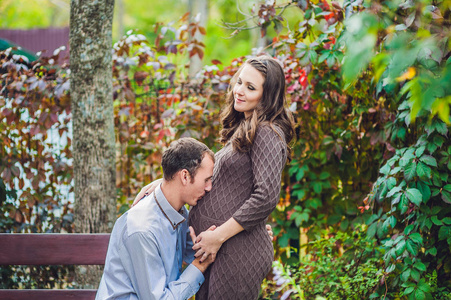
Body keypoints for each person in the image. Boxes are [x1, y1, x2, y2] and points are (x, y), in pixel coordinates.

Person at [134, 55, 295, 299]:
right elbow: (216, 180)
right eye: (239, 82)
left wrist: (217, 237)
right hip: (220, 249)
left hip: (236, 253)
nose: (239, 91)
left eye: (250, 87)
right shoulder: (246, 128)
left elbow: (266, 197)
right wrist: (166, 182)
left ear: (267, 96)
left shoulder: (267, 133)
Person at [96, 138, 216, 300]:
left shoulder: (177, 211)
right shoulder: (142, 230)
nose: (209, 187)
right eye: (206, 180)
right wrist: (199, 266)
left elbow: (195, 252)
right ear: (185, 177)